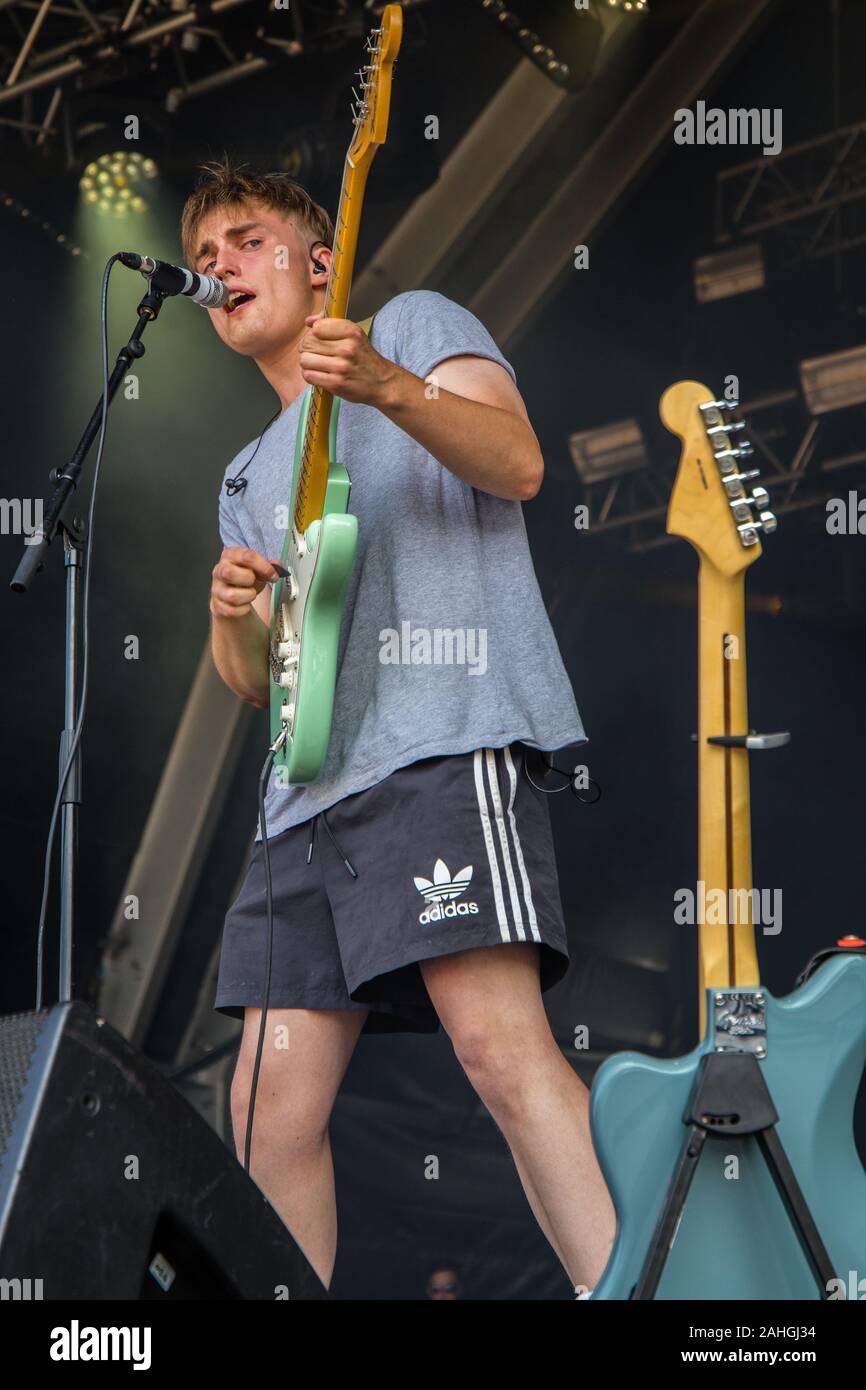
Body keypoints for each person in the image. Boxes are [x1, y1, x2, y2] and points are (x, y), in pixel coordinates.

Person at [182, 160, 615, 1295]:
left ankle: (629, 1294)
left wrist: (380, 382)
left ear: (315, 257)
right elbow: (260, 682)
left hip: (435, 743)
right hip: (302, 805)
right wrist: (230, 616)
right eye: (202, 257)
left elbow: (517, 461)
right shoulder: (242, 473)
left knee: (498, 1052)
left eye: (242, 239)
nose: (216, 266)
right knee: (264, 1109)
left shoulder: (412, 322)